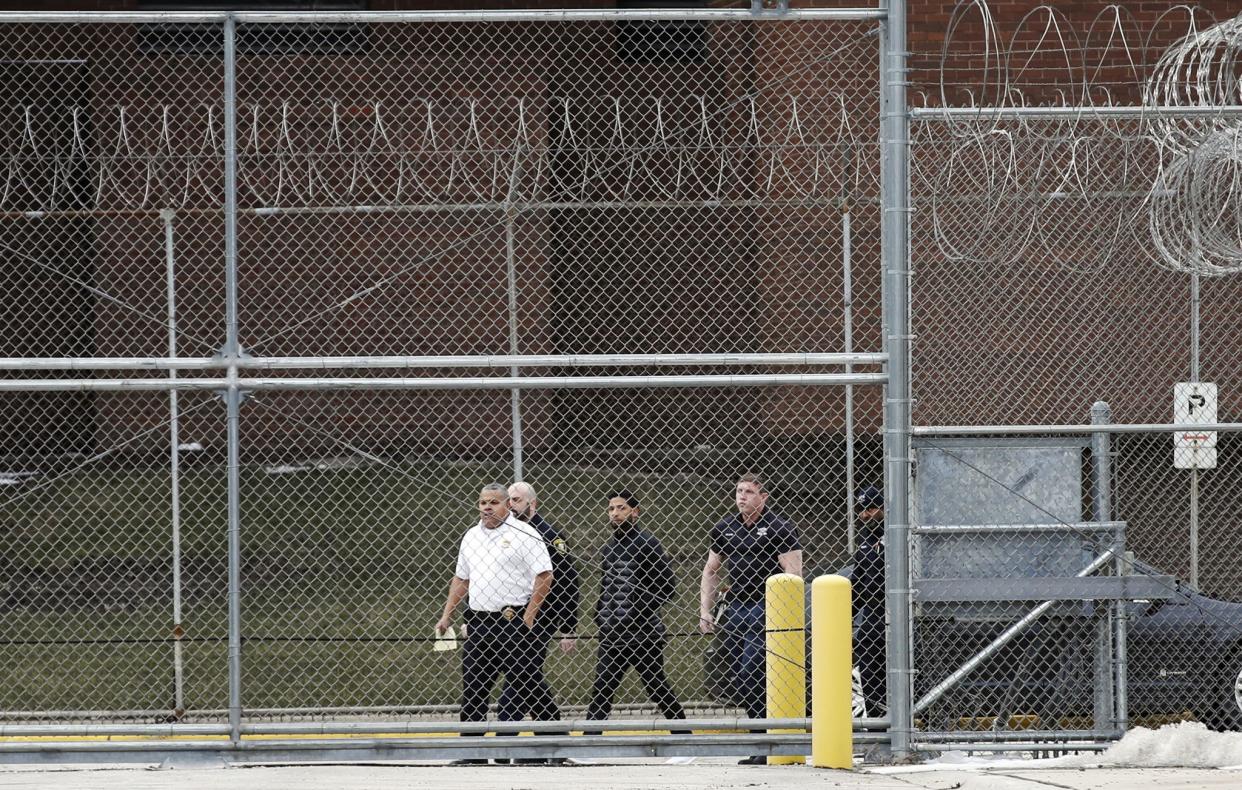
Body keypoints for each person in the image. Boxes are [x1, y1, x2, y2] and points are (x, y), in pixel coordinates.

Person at [436, 483, 553, 765]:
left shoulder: (525, 534)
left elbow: (545, 575)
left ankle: (552, 745)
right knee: (474, 688)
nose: (486, 508)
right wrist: (447, 614)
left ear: (507, 506)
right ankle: (472, 754)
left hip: (513, 621)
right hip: (479, 623)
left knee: (527, 684)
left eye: (493, 502)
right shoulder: (471, 536)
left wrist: (529, 615)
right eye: (482, 502)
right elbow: (461, 579)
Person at [699, 473, 802, 765]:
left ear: (763, 496)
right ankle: (761, 739)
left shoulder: (780, 528)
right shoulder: (724, 528)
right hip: (735, 610)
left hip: (764, 608)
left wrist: (783, 613)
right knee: (739, 679)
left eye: (748, 491)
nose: (741, 496)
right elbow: (711, 570)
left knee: (751, 672)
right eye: (738, 491)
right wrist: (705, 610)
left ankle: (767, 742)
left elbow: (794, 574)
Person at [585, 490, 687, 728]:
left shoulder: (647, 544)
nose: (615, 514)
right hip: (612, 633)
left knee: (656, 686)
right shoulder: (609, 548)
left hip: (643, 634)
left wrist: (638, 609)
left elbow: (667, 586)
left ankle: (684, 735)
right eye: (611, 509)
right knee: (602, 688)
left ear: (635, 512)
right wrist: (600, 613)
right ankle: (589, 743)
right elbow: (607, 586)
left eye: (621, 508)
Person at [496, 481, 581, 765]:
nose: (511, 505)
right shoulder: (505, 535)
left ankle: (504, 743)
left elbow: (569, 582)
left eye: (517, 500)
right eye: (508, 500)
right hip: (509, 617)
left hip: (541, 618)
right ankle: (553, 742)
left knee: (521, 675)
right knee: (527, 677)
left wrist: (568, 626)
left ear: (533, 504)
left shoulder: (549, 535)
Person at [850, 484, 887, 717]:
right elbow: (859, 581)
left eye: (871, 508)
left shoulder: (895, 533)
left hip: (894, 611)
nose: (866, 514)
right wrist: (846, 613)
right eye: (862, 510)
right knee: (869, 666)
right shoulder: (865, 540)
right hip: (872, 614)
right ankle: (876, 721)